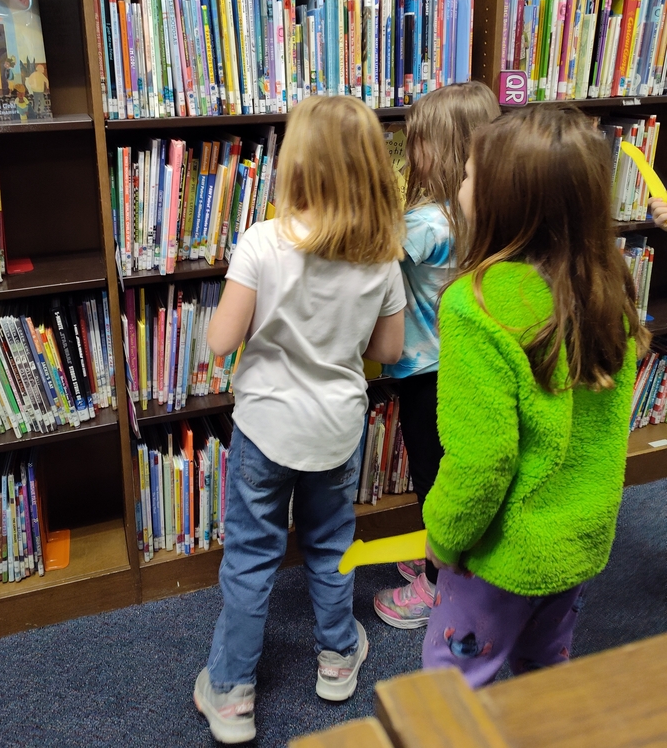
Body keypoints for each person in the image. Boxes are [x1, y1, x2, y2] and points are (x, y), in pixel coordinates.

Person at [194, 96, 406, 744]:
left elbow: (219, 342)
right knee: (331, 547)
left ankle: (232, 692)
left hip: (266, 430)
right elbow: (389, 351)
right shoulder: (382, 254)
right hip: (337, 431)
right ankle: (338, 658)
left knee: (252, 558)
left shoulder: (263, 242)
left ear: (296, 163)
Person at [421, 106, 649, 687]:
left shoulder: (475, 306)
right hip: (579, 539)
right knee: (545, 673)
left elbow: (482, 458)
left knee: (449, 686)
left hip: (501, 552)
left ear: (504, 199)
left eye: (468, 175)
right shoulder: (608, 282)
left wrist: (444, 537)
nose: (460, 184)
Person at [373, 82, 500, 631]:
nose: (410, 151)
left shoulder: (426, 225)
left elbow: (369, 256)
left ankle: (436, 583)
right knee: (451, 472)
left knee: (432, 478)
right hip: (464, 366)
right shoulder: (485, 214)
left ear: (446, 149)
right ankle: (446, 557)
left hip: (425, 375)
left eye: (417, 141)